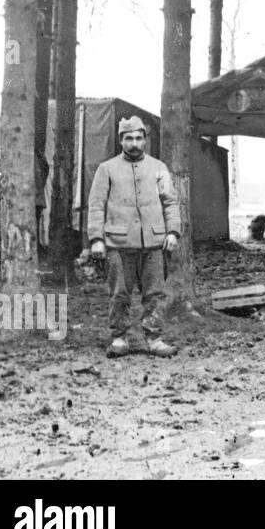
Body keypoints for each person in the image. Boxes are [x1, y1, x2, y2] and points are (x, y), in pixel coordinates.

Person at [86, 116, 182, 358]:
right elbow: (96, 205)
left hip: (153, 242)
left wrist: (172, 231)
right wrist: (96, 238)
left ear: (146, 140)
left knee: (155, 292)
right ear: (121, 140)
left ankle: (154, 338)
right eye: (129, 138)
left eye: (139, 138)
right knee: (119, 292)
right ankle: (119, 338)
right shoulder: (106, 169)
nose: (134, 143)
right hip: (118, 243)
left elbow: (170, 202)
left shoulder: (159, 167)